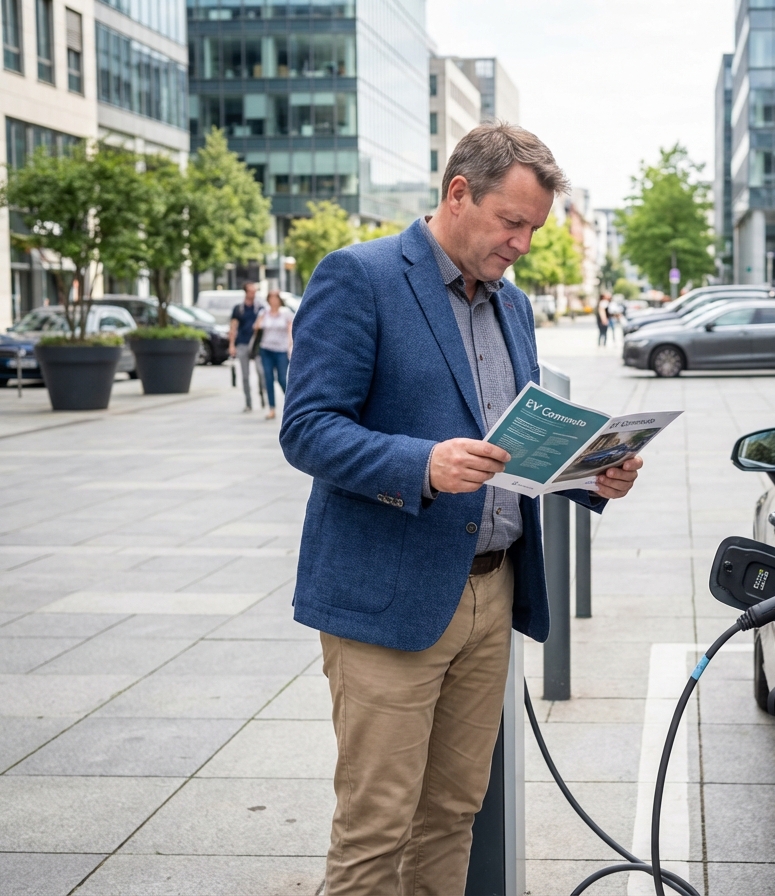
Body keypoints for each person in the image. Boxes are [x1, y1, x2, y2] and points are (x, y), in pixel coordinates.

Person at [279, 123, 643, 896]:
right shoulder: (360, 276)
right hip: (389, 600)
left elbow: (515, 446)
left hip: (492, 591)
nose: (522, 243)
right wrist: (423, 464)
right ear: (457, 194)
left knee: (452, 812)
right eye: (512, 222)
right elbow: (307, 429)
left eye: (534, 229)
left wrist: (589, 476)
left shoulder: (511, 307)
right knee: (377, 827)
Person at [254, 289, 293, 420]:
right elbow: (256, 328)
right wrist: (261, 319)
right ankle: (271, 408)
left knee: (282, 378)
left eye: (275, 298)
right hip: (266, 349)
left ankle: (291, 405)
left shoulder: (286, 312)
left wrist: (291, 346)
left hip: (281, 350)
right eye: (271, 298)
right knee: (268, 379)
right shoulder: (263, 312)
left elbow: (291, 329)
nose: (273, 300)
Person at [228, 282, 263, 412]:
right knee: (245, 375)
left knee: (261, 372)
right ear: (246, 292)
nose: (253, 294)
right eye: (251, 291)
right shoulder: (239, 309)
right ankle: (248, 403)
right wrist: (231, 345)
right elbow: (233, 327)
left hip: (256, 345)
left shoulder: (260, 308)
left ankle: (262, 393)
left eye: (254, 291)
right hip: (242, 344)